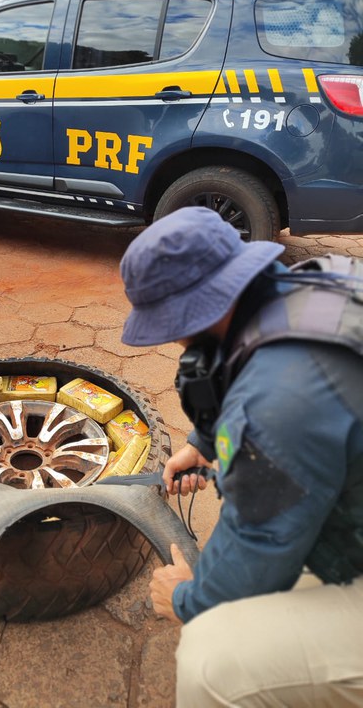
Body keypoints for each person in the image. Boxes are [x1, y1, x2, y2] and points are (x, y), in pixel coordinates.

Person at [119, 206, 363, 707]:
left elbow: (261, 541)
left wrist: (186, 597)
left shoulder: (277, 400)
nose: (175, 339)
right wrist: (205, 444)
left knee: (212, 653)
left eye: (170, 325)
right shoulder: (320, 284)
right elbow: (293, 394)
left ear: (197, 310)